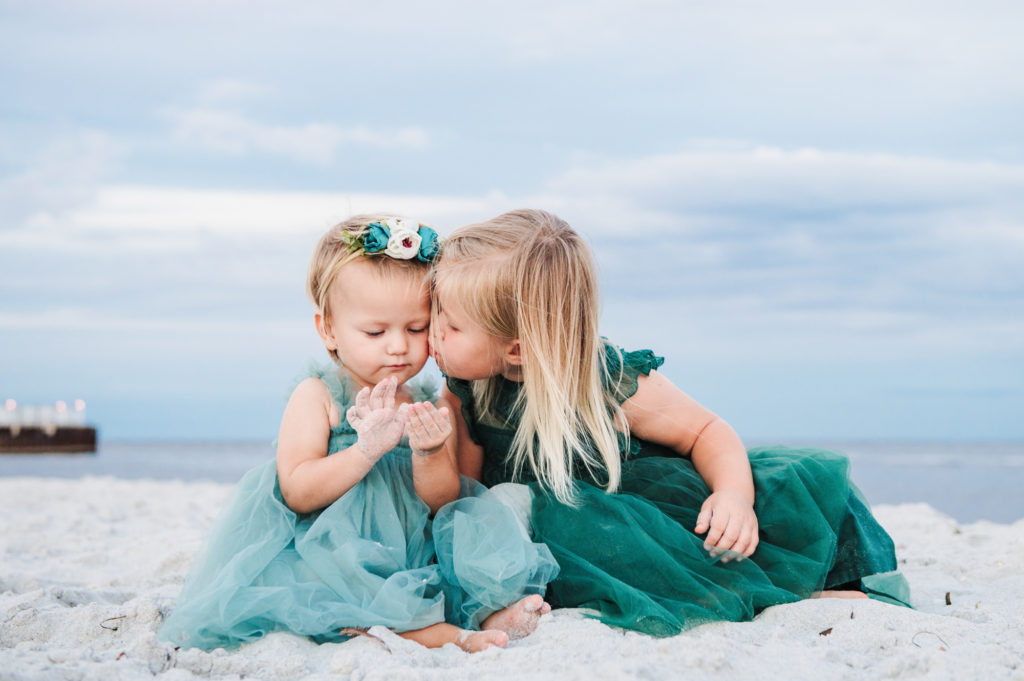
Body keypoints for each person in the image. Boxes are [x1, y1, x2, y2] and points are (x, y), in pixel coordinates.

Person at [429, 208, 910, 637]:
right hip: (548, 521)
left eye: (450, 326)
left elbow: (705, 430)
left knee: (767, 508)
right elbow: (466, 493)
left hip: (632, 512)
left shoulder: (602, 375)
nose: (433, 334)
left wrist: (733, 496)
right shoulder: (466, 384)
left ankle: (795, 593)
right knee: (527, 520)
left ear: (516, 347)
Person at [159, 214, 558, 653]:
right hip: (336, 550)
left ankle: (482, 615)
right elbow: (296, 489)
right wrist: (365, 451)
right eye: (375, 331)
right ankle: (452, 637)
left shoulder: (430, 402)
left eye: (416, 328)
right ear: (328, 329)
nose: (398, 346)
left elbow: (444, 501)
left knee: (462, 559)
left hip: (415, 549)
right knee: (337, 590)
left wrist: (428, 452)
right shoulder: (319, 396)